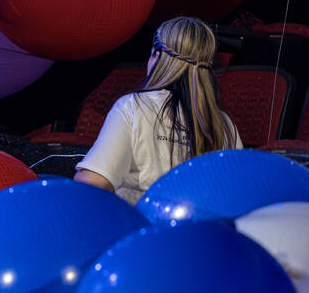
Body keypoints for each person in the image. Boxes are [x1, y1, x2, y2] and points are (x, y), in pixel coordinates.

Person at [75, 16, 242, 204]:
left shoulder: (133, 107)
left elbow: (91, 184)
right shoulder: (225, 124)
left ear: (158, 55)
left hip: (142, 229)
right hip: (202, 231)